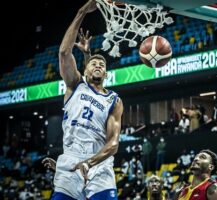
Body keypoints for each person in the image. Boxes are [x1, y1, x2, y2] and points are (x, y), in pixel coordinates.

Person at [52, 0, 124, 199]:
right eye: (94, 63)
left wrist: (89, 163)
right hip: (70, 162)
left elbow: (113, 143)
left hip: (99, 165)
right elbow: (64, 52)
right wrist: (81, 11)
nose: (98, 65)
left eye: (102, 64)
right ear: (85, 70)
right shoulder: (75, 85)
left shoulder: (113, 100)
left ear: (107, 74)